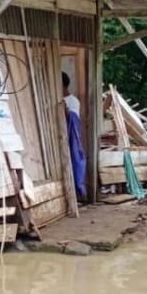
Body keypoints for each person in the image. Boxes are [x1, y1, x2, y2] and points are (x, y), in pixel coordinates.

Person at [62, 72, 86, 200]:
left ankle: (76, 193)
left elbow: (74, 121)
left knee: (74, 160)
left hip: (70, 138)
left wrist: (66, 113)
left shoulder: (72, 101)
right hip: (59, 139)